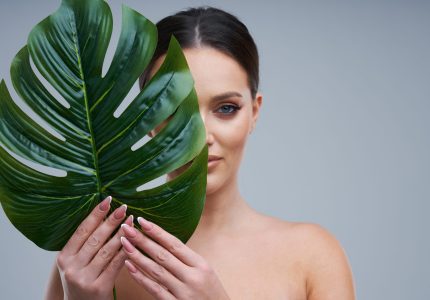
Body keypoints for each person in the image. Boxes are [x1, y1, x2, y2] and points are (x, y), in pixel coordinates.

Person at [45, 6, 355, 300]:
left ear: (254, 113)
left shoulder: (312, 255)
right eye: (175, 109)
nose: (201, 136)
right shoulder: (95, 256)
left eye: (226, 109)